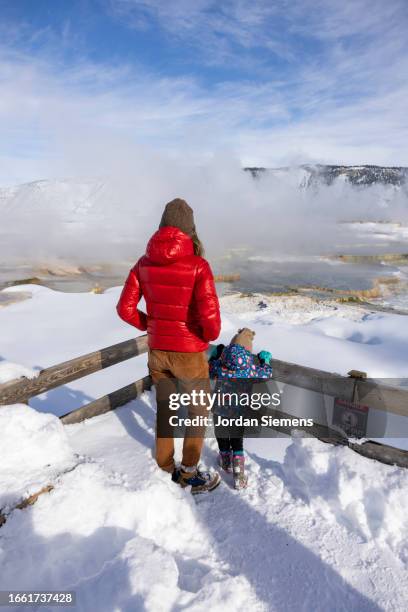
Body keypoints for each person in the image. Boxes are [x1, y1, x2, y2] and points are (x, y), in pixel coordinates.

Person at [116, 198, 221, 494]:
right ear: (190, 230)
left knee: (165, 408)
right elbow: (211, 320)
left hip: (158, 352)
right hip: (189, 353)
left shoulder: (143, 262)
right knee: (198, 411)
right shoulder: (199, 265)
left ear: (162, 226)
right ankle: (189, 473)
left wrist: (151, 325)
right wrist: (202, 336)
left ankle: (164, 464)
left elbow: (125, 309)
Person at [209, 328, 273, 489]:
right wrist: (265, 361)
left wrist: (216, 355)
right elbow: (266, 373)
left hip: (220, 409)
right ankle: (238, 473)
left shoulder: (221, 365)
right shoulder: (250, 369)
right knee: (237, 441)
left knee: (221, 434)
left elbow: (210, 368)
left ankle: (225, 460)